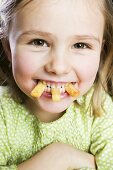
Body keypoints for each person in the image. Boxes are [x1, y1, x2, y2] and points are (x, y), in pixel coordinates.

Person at [0, 0, 113, 169]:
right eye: (39, 42)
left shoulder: (99, 109)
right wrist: (57, 158)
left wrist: (70, 156)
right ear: (8, 47)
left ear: (100, 51)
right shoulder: (2, 112)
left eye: (80, 45)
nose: (58, 67)